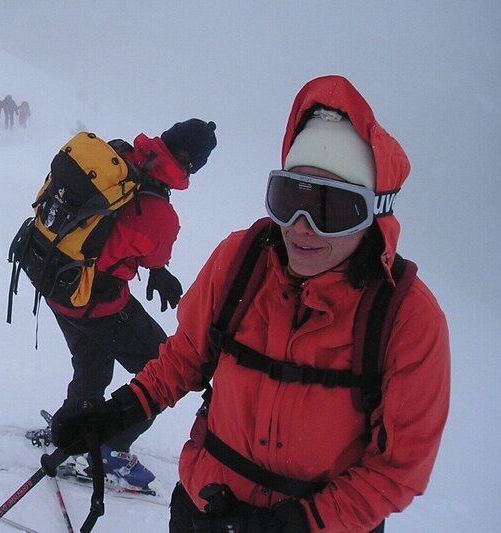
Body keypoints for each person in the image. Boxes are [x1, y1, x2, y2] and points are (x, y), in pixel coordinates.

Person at [50, 75, 450, 533]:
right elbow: (183, 360)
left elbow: (398, 469)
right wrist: (118, 411)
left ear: (374, 214)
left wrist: (294, 524)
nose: (302, 227)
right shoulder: (242, 262)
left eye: (333, 208)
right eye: (289, 198)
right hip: (203, 513)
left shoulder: (406, 318)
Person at [46, 118, 218, 492]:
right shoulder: (161, 215)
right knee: (161, 368)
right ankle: (107, 449)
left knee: (92, 360)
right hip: (96, 301)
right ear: (192, 164)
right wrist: (159, 271)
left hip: (55, 280)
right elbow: (150, 250)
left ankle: (73, 428)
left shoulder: (118, 153)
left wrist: (154, 268)